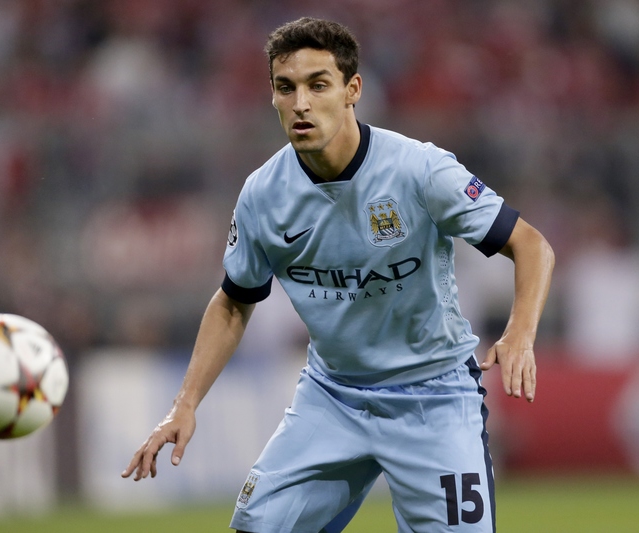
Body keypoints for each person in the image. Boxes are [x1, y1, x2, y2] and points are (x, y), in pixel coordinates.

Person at [123, 17, 554, 533]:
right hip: (333, 397)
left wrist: (519, 332)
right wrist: (184, 404)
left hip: (433, 396)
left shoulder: (419, 170)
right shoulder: (263, 194)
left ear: (353, 90)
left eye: (318, 85)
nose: (301, 103)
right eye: (286, 87)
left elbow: (531, 244)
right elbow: (234, 301)